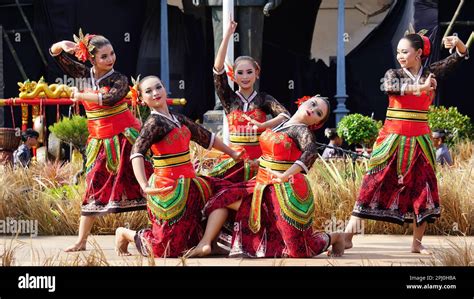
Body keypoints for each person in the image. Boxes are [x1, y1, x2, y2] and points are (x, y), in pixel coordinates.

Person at [344, 33, 469, 254]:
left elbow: (458, 57)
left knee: (424, 189)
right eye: (398, 52)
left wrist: (457, 42)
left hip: (421, 140)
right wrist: (419, 88)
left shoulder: (431, 74)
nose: (400, 56)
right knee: (371, 184)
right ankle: (347, 236)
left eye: (405, 51)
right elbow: (389, 87)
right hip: (392, 139)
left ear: (419, 53)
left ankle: (417, 244)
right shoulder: (394, 73)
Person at [189, 95, 347, 258]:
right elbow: (273, 152)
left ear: (316, 123)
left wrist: (285, 174)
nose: (313, 110)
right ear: (302, 102)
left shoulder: (301, 130)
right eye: (312, 104)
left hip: (285, 190)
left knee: (299, 251)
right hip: (260, 183)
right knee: (222, 197)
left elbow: (311, 152)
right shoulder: (281, 124)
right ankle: (207, 244)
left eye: (318, 113)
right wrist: (258, 162)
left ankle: (334, 236)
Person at [114, 76, 243, 257]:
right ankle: (125, 233)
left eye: (158, 87)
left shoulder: (179, 118)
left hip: (192, 183)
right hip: (169, 187)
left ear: (165, 89)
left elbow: (206, 136)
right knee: (165, 250)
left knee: (227, 195)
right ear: (142, 100)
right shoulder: (153, 123)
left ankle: (209, 243)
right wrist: (144, 186)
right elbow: (136, 153)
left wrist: (232, 153)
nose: (155, 93)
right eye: (148, 91)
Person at [50, 30, 151, 252]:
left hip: (126, 139)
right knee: (93, 186)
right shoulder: (84, 75)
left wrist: (81, 96)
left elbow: (110, 98)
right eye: (104, 56)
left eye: (112, 53)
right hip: (99, 141)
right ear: (91, 58)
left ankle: (163, 229)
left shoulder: (120, 79)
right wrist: (63, 44)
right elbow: (56, 55)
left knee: (148, 184)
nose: (110, 59)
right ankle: (81, 240)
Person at [208, 16, 290, 183]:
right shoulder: (229, 99)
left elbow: (285, 116)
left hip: (260, 161)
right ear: (234, 76)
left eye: (249, 72)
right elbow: (218, 69)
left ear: (256, 74)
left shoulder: (263, 99)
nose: (245, 77)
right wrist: (226, 37)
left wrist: (264, 126)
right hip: (233, 159)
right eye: (240, 73)